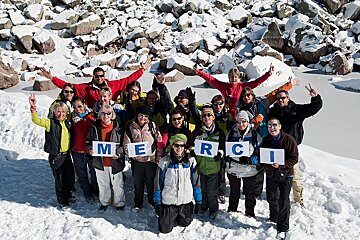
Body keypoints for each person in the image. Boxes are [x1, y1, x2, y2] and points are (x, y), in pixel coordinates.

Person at [237, 78, 297, 198]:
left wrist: (289, 84)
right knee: (257, 163)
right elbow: (243, 126)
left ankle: (277, 190)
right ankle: (256, 190)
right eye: (244, 96)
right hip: (253, 138)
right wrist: (255, 121)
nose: (246, 97)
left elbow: (275, 94)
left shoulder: (262, 101)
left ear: (252, 95)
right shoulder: (242, 109)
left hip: (267, 137)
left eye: (249, 95)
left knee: (271, 162)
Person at [269, 84, 323, 207]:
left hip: (291, 149)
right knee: (275, 173)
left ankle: (299, 199)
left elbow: (314, 108)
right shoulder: (273, 112)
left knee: (294, 175)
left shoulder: (297, 109)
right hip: (276, 147)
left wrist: (315, 97)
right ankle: (276, 196)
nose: (280, 100)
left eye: (283, 98)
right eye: (278, 98)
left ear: (288, 98)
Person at [38, 58, 151, 108]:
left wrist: (142, 69)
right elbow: (67, 86)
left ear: (104, 76)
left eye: (101, 76)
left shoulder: (113, 85)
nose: (99, 78)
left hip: (111, 114)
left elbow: (129, 80)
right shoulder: (87, 88)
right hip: (95, 116)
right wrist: (51, 78)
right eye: (97, 76)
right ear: (93, 76)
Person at [29, 93, 74, 208]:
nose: (61, 114)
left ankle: (68, 195)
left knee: (69, 176)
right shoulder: (50, 123)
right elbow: (37, 121)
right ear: (54, 112)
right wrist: (33, 109)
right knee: (59, 179)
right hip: (56, 156)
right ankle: (62, 200)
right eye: (58, 111)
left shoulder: (66, 123)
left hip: (66, 155)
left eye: (63, 112)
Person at [153, 134, 202, 233]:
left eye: (182, 145)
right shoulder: (164, 162)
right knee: (165, 229)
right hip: (169, 201)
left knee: (186, 223)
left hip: (185, 200)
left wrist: (198, 201)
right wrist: (157, 203)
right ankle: (169, 216)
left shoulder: (191, 161)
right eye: (176, 145)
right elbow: (158, 184)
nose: (179, 148)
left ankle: (182, 214)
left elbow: (196, 183)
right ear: (172, 146)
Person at [261, 117, 298, 239]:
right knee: (272, 196)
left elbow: (294, 158)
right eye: (269, 126)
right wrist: (267, 164)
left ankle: (283, 226)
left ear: (280, 126)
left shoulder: (289, 139)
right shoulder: (266, 140)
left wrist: (281, 164)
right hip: (271, 173)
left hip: (286, 174)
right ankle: (274, 217)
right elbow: (263, 156)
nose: (272, 128)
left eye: (275, 125)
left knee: (283, 199)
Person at [86, 105, 126, 212]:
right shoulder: (94, 128)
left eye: (108, 113)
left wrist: (119, 153)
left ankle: (119, 202)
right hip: (100, 162)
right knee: (103, 184)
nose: (106, 116)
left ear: (112, 115)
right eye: (103, 113)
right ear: (100, 115)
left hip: (115, 161)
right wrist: (90, 149)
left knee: (117, 184)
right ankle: (105, 201)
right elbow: (88, 142)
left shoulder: (118, 128)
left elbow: (124, 145)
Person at [195, 64, 274, 117]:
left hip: (239, 114)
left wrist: (268, 74)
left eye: (235, 77)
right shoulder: (223, 86)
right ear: (229, 78)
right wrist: (199, 72)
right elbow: (211, 79)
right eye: (231, 77)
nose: (233, 79)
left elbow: (256, 82)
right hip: (226, 115)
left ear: (239, 78)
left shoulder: (242, 86)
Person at [123, 105, 163, 209]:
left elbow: (158, 143)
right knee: (138, 182)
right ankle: (138, 202)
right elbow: (126, 144)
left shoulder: (152, 126)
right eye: (141, 115)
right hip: (138, 161)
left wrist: (158, 156)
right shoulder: (131, 127)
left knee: (151, 182)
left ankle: (151, 200)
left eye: (146, 116)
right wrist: (133, 155)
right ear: (137, 115)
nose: (143, 118)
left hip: (151, 160)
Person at [190, 106, 225, 219]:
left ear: (213, 117)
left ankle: (213, 209)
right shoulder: (197, 132)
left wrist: (220, 153)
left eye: (209, 115)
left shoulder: (219, 132)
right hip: (201, 166)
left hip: (213, 168)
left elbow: (223, 147)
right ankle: (203, 207)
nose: (207, 117)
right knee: (202, 190)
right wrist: (192, 150)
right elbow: (191, 145)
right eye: (204, 115)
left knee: (212, 191)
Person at [225, 111, 262, 217]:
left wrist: (251, 160)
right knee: (234, 192)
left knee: (250, 193)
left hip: (249, 170)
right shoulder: (231, 133)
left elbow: (259, 154)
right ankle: (232, 211)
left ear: (248, 121)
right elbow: (226, 149)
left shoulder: (254, 135)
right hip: (234, 169)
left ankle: (250, 213)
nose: (241, 125)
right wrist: (227, 157)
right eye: (239, 122)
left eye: (244, 122)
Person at [70, 96, 98, 202]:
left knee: (94, 173)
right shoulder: (71, 118)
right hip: (78, 150)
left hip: (91, 150)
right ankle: (87, 193)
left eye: (79, 106)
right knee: (82, 173)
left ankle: (96, 191)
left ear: (84, 105)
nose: (77, 109)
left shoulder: (92, 116)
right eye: (75, 107)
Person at [211, 94, 235, 204]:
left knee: (222, 169)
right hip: (213, 144)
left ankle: (221, 192)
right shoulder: (210, 115)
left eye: (220, 104)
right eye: (215, 104)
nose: (218, 106)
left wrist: (230, 120)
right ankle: (211, 189)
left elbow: (232, 128)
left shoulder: (227, 116)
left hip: (224, 145)